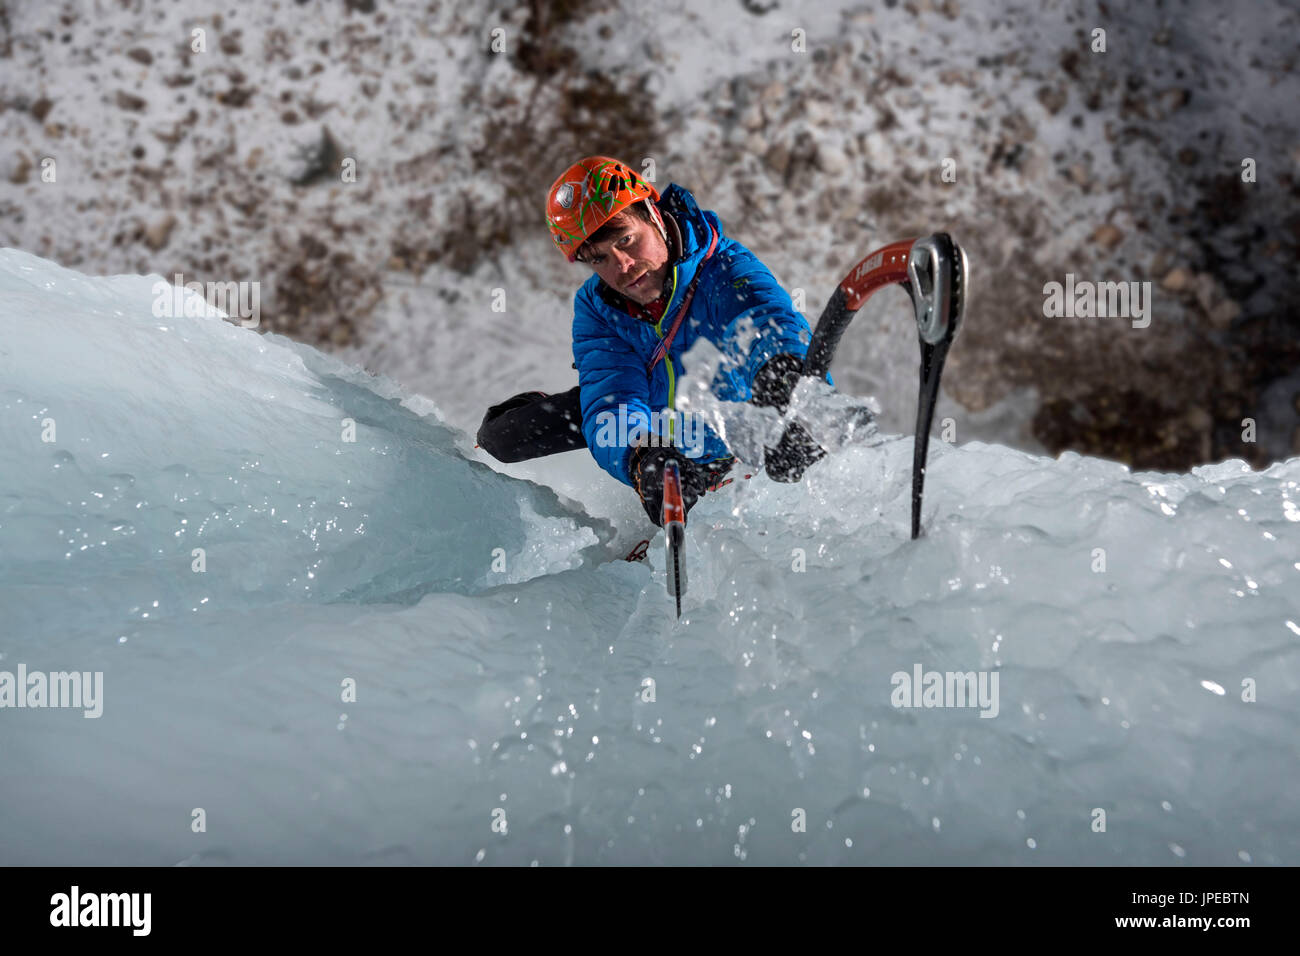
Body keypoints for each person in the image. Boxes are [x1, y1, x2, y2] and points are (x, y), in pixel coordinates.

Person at [477, 155, 827, 528]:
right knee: (502, 436)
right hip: (650, 408)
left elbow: (771, 324)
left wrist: (785, 377)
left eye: (626, 240)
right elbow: (614, 399)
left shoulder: (724, 267)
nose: (622, 266)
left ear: (652, 214)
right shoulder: (596, 307)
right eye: (599, 259)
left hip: (730, 418)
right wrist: (644, 459)